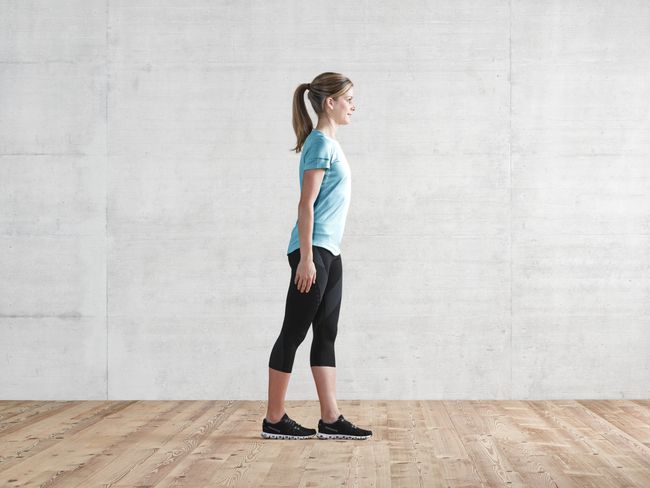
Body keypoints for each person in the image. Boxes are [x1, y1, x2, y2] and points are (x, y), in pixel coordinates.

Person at [261, 72, 372, 440]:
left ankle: (330, 418)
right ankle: (274, 419)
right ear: (330, 102)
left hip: (329, 252)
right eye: (349, 99)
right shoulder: (319, 144)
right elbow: (305, 205)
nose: (353, 105)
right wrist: (306, 258)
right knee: (293, 332)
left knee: (326, 333)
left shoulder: (329, 144)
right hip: (313, 252)